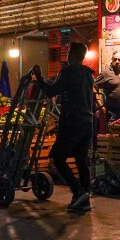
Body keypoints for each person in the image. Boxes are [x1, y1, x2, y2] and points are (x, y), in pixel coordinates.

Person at [32, 42, 95, 212]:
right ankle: (84, 197)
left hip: (72, 123)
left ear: (73, 55)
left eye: (68, 52)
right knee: (81, 160)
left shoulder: (68, 72)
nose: (67, 55)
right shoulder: (89, 75)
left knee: (58, 158)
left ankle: (78, 191)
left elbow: (51, 91)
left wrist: (38, 77)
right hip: (87, 123)